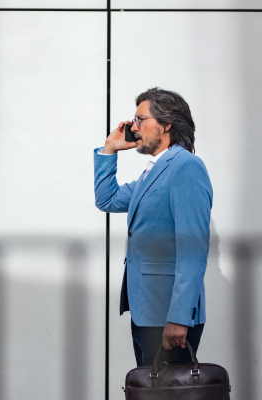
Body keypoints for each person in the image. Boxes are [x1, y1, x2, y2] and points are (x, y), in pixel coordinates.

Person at [94, 87, 212, 367]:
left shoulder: (186, 167)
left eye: (140, 120)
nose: (133, 128)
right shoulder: (152, 172)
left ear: (166, 124)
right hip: (146, 309)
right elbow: (107, 199)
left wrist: (179, 318)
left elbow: (193, 249)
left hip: (168, 315)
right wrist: (109, 149)